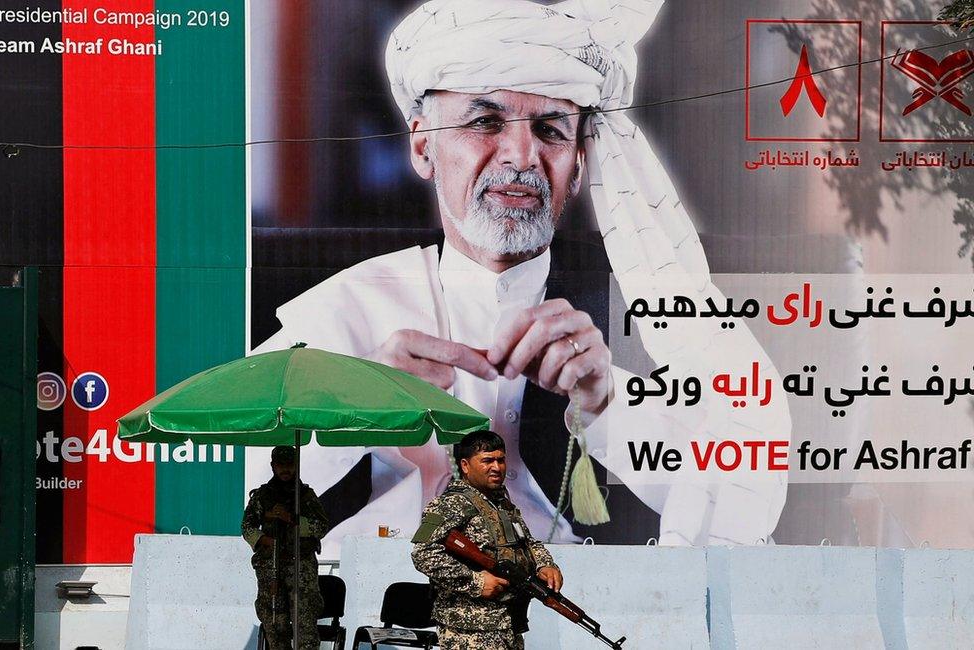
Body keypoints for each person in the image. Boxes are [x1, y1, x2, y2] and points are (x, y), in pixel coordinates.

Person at [249, 0, 790, 558]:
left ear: (579, 163)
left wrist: (607, 405)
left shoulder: (646, 312)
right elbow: (208, 475)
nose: (522, 155)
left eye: (551, 129)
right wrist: (350, 409)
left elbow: (748, 496)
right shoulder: (350, 308)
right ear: (422, 146)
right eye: (485, 122)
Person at [412, 430, 562, 650]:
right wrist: (475, 582)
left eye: (501, 460)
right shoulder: (450, 504)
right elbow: (423, 554)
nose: (496, 467)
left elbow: (528, 543)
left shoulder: (503, 505)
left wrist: (545, 564)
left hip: (507, 624)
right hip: (468, 631)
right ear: (465, 465)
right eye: (487, 460)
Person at [241, 445, 330, 649]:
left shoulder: (306, 496)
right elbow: (247, 527)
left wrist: (292, 519)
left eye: (289, 465)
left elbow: (322, 526)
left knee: (304, 625)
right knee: (274, 623)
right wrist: (265, 537)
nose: (285, 470)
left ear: (296, 466)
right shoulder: (262, 496)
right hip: (271, 567)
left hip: (301, 566)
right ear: (273, 466)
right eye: (281, 465)